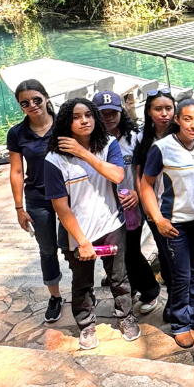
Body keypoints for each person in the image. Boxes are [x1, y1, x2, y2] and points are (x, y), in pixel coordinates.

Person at [43, 98, 139, 350]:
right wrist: (82, 242)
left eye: (88, 115)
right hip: (77, 233)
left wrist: (82, 152)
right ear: (66, 122)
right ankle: (86, 324)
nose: (84, 120)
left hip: (110, 224)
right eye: (76, 117)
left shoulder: (108, 144)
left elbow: (117, 175)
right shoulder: (54, 160)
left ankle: (125, 316)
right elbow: (60, 207)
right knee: (82, 281)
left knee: (119, 277)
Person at [138, 99, 194, 348]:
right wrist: (158, 219)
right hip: (173, 223)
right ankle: (180, 323)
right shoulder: (162, 148)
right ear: (177, 120)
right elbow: (146, 184)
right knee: (181, 275)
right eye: (188, 119)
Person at [93, 91, 160, 314]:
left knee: (130, 250)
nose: (109, 118)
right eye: (103, 114)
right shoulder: (92, 141)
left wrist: (138, 195)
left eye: (113, 113)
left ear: (121, 112)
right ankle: (128, 289)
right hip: (105, 206)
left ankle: (150, 291)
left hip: (132, 204)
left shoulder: (135, 138)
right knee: (113, 253)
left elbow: (144, 171)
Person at [7, 80, 64, 323]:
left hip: (69, 196)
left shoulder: (64, 124)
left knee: (76, 247)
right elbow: (17, 171)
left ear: (47, 98)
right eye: (25, 103)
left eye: (37, 100)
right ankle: (55, 296)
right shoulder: (17, 133)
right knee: (48, 250)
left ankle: (84, 291)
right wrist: (19, 208)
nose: (32, 105)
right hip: (38, 198)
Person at [133, 88, 176, 320]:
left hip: (182, 205)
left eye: (168, 108)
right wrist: (148, 209)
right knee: (165, 254)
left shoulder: (183, 135)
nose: (164, 114)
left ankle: (183, 299)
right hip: (155, 206)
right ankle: (172, 298)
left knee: (182, 257)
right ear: (149, 112)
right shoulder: (144, 138)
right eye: (158, 109)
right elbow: (140, 174)